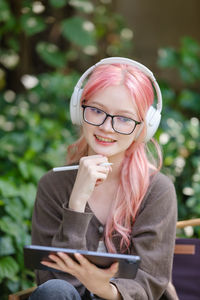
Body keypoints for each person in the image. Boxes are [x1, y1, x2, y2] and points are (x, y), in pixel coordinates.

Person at [29, 57, 178, 300]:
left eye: (124, 118)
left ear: (144, 127)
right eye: (97, 111)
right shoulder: (52, 186)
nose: (107, 127)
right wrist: (76, 202)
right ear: (79, 109)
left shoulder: (157, 190)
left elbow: (149, 284)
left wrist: (103, 288)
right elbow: (51, 282)